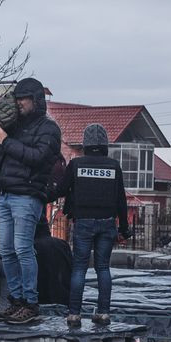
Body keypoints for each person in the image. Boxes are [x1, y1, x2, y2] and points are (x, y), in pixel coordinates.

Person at [0, 77, 62, 324]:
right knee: (6, 251)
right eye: (17, 98)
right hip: (6, 195)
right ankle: (16, 300)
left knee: (22, 249)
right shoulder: (14, 126)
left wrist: (5, 141)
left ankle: (30, 302)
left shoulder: (49, 129)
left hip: (27, 196)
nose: (19, 103)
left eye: (24, 99)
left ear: (36, 100)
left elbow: (38, 157)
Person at [61, 124, 131, 327]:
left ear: (85, 143)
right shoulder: (113, 166)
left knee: (79, 269)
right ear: (104, 144)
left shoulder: (76, 164)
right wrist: (124, 227)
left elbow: (62, 189)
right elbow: (121, 199)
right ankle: (103, 313)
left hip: (82, 222)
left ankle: (74, 314)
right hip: (107, 223)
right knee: (103, 268)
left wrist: (43, 194)